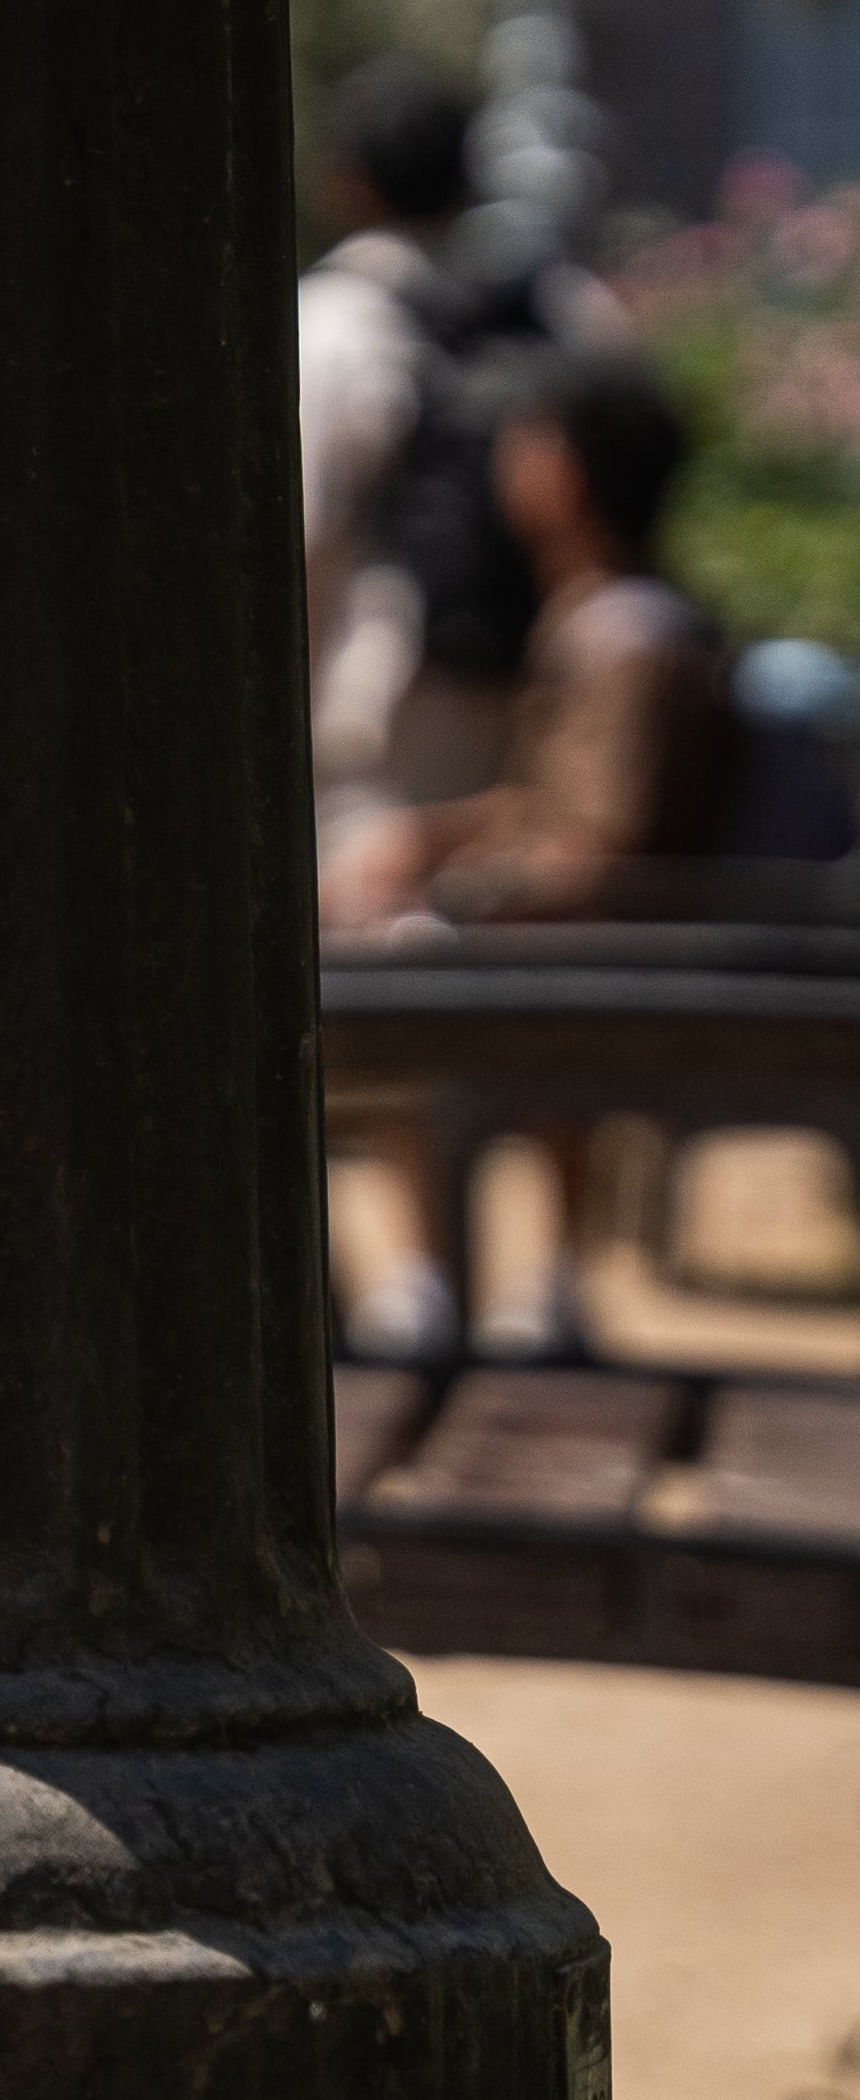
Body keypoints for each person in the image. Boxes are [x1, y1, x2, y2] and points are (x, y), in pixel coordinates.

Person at [322, 353, 741, 1358]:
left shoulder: (625, 637)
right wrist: (424, 839)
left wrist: (454, 891)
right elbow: (556, 803)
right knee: (386, 944)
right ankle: (469, 1283)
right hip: (607, 934)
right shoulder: (606, 615)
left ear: (564, 474)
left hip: (616, 949)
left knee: (387, 973)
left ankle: (442, 1283)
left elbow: (603, 843)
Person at [299, 61, 629, 867]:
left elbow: (300, 536)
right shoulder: (559, 308)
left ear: (353, 182)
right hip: (540, 693)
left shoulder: (336, 321)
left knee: (376, 946)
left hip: (390, 708)